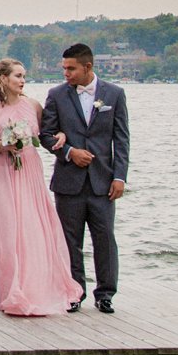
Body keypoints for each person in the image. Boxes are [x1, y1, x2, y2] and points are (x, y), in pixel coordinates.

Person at [0, 57, 81, 316]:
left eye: (24, 76)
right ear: (3, 79)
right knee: (9, 233)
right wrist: (6, 145)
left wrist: (60, 136)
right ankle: (12, 293)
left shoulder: (34, 106)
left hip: (29, 171)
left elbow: (47, 134)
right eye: (17, 76)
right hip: (2, 173)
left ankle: (38, 291)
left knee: (35, 230)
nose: (22, 80)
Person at [38, 42, 130, 313]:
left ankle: (105, 294)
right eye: (64, 68)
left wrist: (120, 177)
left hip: (103, 182)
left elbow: (121, 139)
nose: (66, 73)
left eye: (71, 68)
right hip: (69, 181)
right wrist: (68, 152)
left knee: (104, 238)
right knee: (70, 240)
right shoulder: (56, 95)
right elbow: (45, 135)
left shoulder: (114, 94)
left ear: (88, 67)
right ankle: (74, 292)